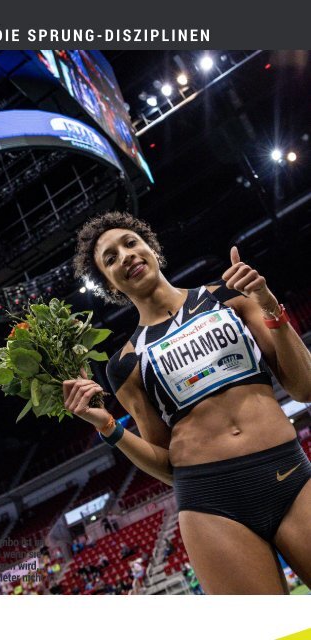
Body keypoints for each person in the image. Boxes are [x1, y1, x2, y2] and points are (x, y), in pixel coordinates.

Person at [63, 211, 311, 595]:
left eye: (130, 242)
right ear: (108, 284)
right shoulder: (125, 366)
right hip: (210, 505)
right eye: (109, 258)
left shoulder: (229, 297)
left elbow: (303, 388)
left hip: (288, 474)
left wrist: (269, 305)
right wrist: (109, 429)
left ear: (151, 248)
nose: (125, 255)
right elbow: (168, 465)